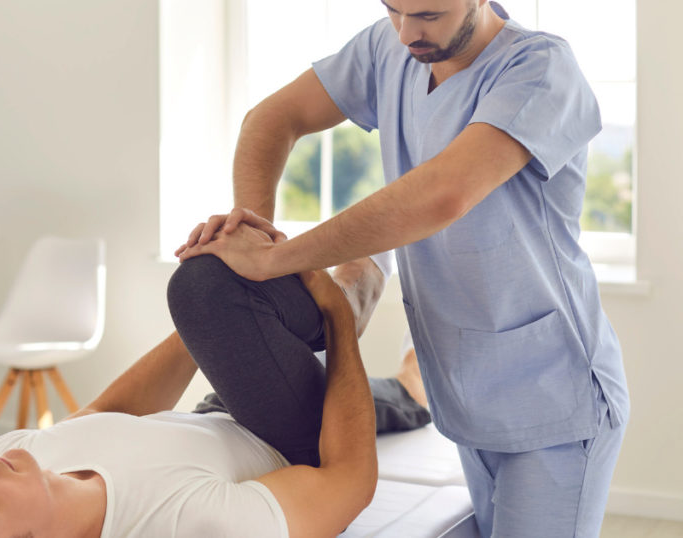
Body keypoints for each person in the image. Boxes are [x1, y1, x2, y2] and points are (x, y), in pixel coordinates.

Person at [176, 1, 628, 536]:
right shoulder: (387, 48)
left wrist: (273, 259)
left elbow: (442, 194)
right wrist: (251, 227)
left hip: (552, 393)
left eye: (429, 14)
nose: (408, 32)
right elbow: (272, 119)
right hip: (465, 394)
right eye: (393, 9)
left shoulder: (540, 69)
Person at [0, 249, 431, 538]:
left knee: (209, 292)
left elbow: (107, 415)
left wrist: (205, 334)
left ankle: (375, 280)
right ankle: (368, 285)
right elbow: (349, 484)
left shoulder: (13, 463)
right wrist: (337, 318)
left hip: (219, 415)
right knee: (206, 287)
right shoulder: (185, 527)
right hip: (295, 447)